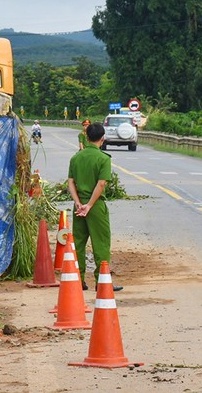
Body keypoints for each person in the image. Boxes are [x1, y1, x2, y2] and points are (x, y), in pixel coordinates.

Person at [67, 122, 123, 292]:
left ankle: (78, 279)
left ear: (87, 137)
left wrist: (78, 203)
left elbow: (70, 182)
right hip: (95, 206)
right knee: (101, 244)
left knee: (78, 243)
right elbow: (101, 184)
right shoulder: (103, 158)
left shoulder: (76, 158)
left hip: (78, 206)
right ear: (102, 138)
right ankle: (102, 281)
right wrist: (89, 205)